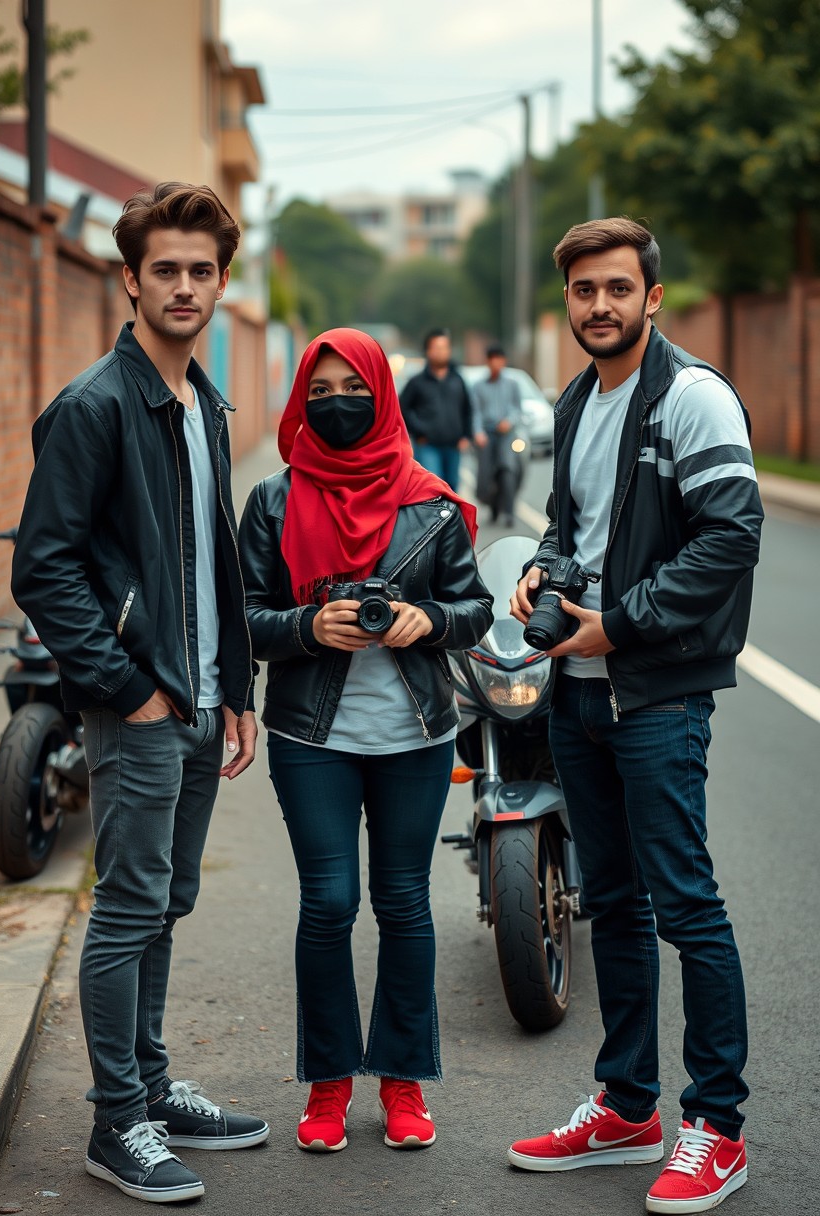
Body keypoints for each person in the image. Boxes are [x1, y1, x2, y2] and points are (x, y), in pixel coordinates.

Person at [12, 182, 269, 1204]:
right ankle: (116, 1120)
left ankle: (153, 1086)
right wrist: (129, 689)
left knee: (168, 897)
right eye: (164, 267)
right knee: (126, 908)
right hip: (144, 702)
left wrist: (235, 686)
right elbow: (46, 568)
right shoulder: (95, 406)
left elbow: (212, 562)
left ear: (219, 282)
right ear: (128, 278)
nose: (184, 285)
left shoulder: (200, 399)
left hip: (201, 698)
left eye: (201, 270)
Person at [508, 218, 763, 1214]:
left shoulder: (692, 398)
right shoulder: (576, 402)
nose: (600, 305)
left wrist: (621, 623)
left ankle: (717, 1127)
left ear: (652, 296)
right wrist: (545, 564)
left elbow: (728, 537)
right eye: (583, 291)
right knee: (609, 902)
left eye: (618, 288)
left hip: (654, 690)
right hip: (576, 694)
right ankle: (625, 1107)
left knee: (685, 904)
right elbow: (578, 525)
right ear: (567, 302)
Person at [239, 327, 493, 1155]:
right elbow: (243, 621)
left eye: (352, 387)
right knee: (330, 904)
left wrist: (429, 621)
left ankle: (403, 1080)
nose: (335, 402)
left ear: (382, 392)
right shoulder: (273, 501)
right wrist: (311, 626)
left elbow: (477, 608)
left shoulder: (431, 502)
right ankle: (328, 1083)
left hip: (415, 733)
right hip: (311, 736)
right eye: (319, 391)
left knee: (404, 903)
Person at [399, 327, 478, 490]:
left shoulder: (457, 380)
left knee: (452, 486)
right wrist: (418, 430)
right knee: (432, 486)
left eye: (444, 348)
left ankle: (450, 516)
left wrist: (466, 435)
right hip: (428, 445)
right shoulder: (417, 382)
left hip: (454, 445)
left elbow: (467, 408)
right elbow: (402, 409)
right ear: (428, 351)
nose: (441, 352)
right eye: (436, 348)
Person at [470, 343, 524, 525]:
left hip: (507, 434)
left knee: (508, 468)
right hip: (486, 434)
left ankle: (509, 512)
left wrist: (509, 421)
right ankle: (491, 504)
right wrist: (478, 433)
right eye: (492, 360)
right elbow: (475, 412)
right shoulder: (478, 386)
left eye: (499, 360)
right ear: (488, 362)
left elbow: (518, 409)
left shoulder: (512, 384)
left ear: (504, 361)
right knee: (485, 474)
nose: (496, 364)